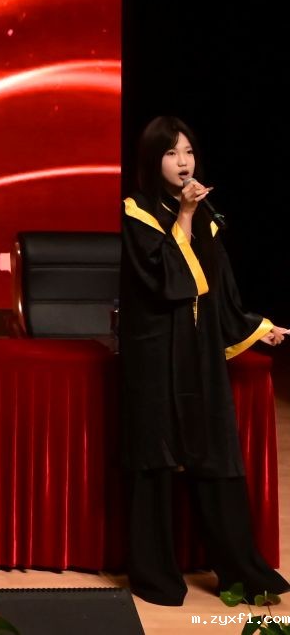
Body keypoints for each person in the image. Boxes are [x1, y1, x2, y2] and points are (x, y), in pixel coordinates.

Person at [120, 116, 286, 606]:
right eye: (171, 153)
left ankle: (241, 572)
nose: (183, 162)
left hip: (198, 356)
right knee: (155, 461)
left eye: (188, 151)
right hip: (154, 356)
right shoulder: (136, 212)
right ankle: (154, 576)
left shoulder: (208, 216)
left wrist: (255, 327)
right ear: (153, 160)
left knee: (215, 453)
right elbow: (167, 281)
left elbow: (219, 291)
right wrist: (186, 215)